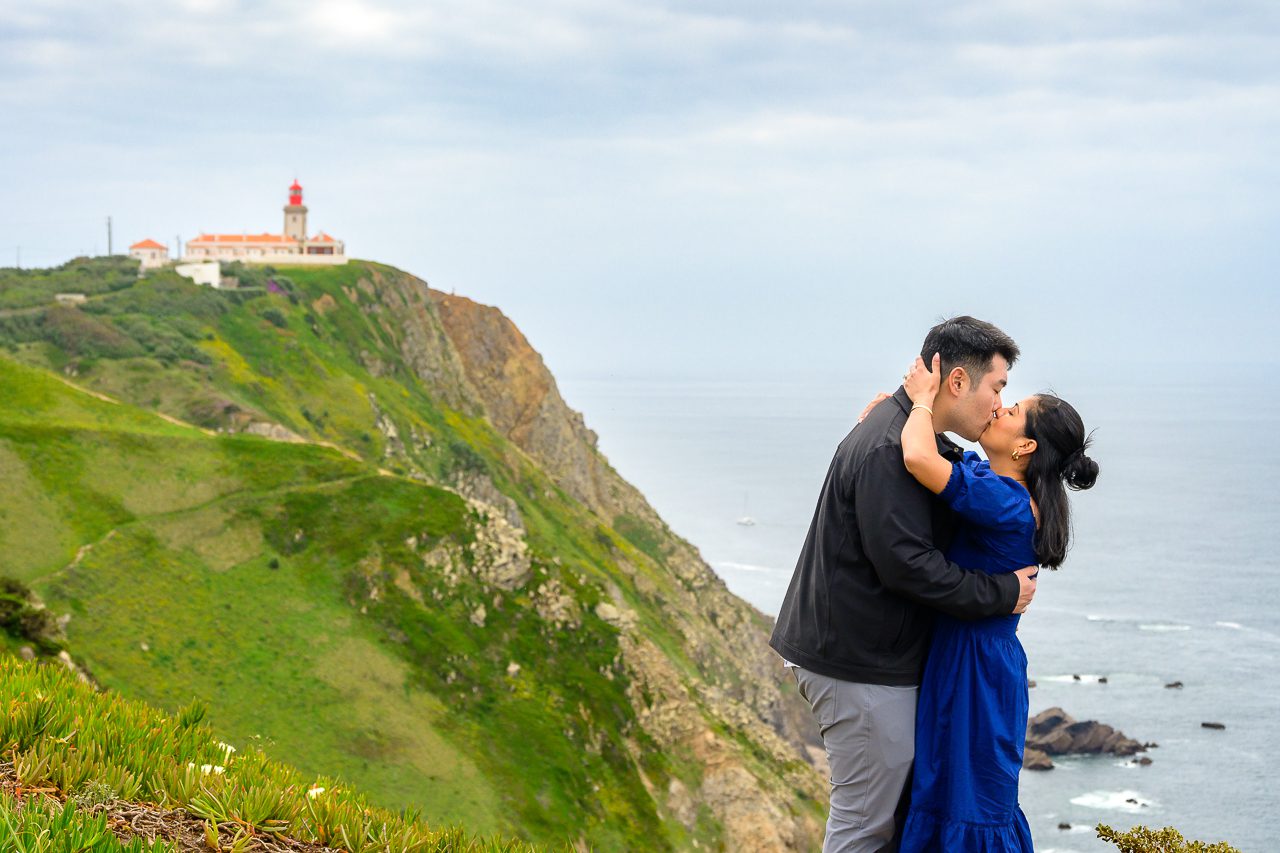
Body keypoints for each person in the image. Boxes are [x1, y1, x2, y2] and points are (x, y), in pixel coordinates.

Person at [770, 316, 1039, 852]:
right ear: (957, 382)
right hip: (859, 665)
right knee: (864, 828)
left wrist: (904, 412)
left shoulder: (905, 433)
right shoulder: (889, 448)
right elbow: (907, 565)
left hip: (865, 657)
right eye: (997, 387)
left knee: (884, 823)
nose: (997, 403)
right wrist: (1003, 594)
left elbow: (953, 473)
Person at [894, 353, 1098, 851]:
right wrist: (895, 412)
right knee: (958, 794)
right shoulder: (1006, 489)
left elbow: (920, 459)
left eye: (1011, 411)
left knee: (967, 800)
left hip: (974, 670)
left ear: (1025, 445)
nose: (998, 408)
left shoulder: (1007, 502)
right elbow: (950, 459)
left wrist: (919, 403)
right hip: (977, 660)